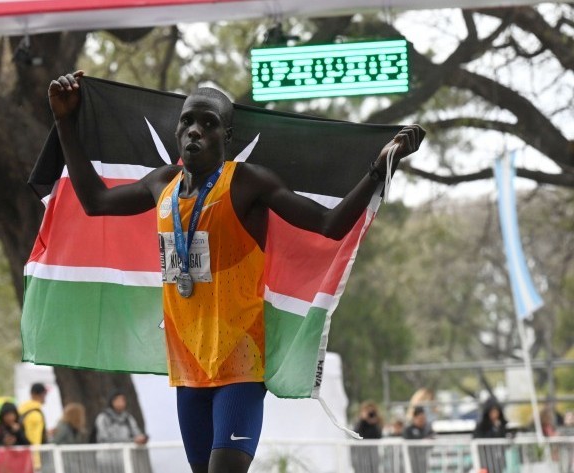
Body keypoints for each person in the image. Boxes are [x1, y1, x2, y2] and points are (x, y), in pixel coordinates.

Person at [48, 71, 424, 473]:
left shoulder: (247, 183)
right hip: (188, 368)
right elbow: (94, 200)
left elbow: (328, 224)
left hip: (239, 365)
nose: (194, 130)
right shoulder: (163, 183)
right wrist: (64, 121)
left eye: (208, 124)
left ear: (227, 137)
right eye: (187, 121)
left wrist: (378, 169)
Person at [473, 399, 509, 473]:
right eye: (492, 412)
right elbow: (478, 438)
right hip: (485, 458)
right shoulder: (482, 426)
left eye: (496, 412)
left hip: (498, 458)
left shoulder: (501, 425)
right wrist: (493, 430)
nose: (495, 414)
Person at [352, 401, 382, 473]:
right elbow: (355, 434)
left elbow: (379, 435)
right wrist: (362, 420)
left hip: (373, 453)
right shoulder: (360, 422)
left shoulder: (376, 423)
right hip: (361, 453)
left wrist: (374, 423)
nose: (370, 414)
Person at [403, 407, 433, 473]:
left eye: (424, 419)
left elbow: (432, 438)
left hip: (424, 459)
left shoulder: (427, 429)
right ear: (415, 418)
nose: (422, 421)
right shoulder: (408, 429)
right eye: (420, 419)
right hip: (412, 458)